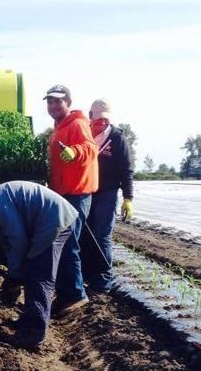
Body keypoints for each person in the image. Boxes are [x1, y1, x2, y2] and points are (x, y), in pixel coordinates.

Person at [0, 181, 79, 348]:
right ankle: (29, 319)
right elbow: (8, 244)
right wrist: (14, 274)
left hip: (52, 218)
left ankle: (34, 332)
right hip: (47, 217)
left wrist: (15, 276)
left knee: (38, 275)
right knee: (32, 269)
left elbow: (17, 240)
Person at [44, 84, 98, 316]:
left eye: (58, 101)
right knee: (64, 243)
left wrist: (75, 152)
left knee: (68, 244)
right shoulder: (58, 128)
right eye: (50, 102)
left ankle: (76, 294)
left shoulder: (77, 123)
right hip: (64, 192)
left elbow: (90, 147)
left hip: (77, 193)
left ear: (68, 102)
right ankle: (67, 292)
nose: (54, 105)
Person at [86, 99, 134, 292]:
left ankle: (104, 279)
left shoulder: (116, 138)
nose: (102, 124)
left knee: (102, 235)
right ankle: (89, 274)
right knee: (87, 235)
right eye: (98, 120)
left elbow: (127, 169)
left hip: (108, 192)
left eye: (105, 120)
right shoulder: (85, 134)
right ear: (90, 117)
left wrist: (128, 198)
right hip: (87, 191)